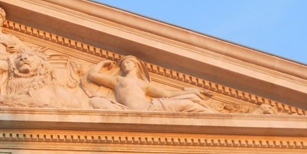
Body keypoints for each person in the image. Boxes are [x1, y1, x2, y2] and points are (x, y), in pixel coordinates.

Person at [87, 55, 215, 113]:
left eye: (128, 62)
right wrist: (102, 63)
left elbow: (168, 94)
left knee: (187, 103)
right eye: (124, 63)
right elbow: (92, 76)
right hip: (132, 110)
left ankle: (212, 116)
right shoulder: (119, 81)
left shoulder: (143, 84)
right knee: (95, 101)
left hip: (151, 107)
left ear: (136, 65)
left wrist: (192, 91)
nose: (125, 65)